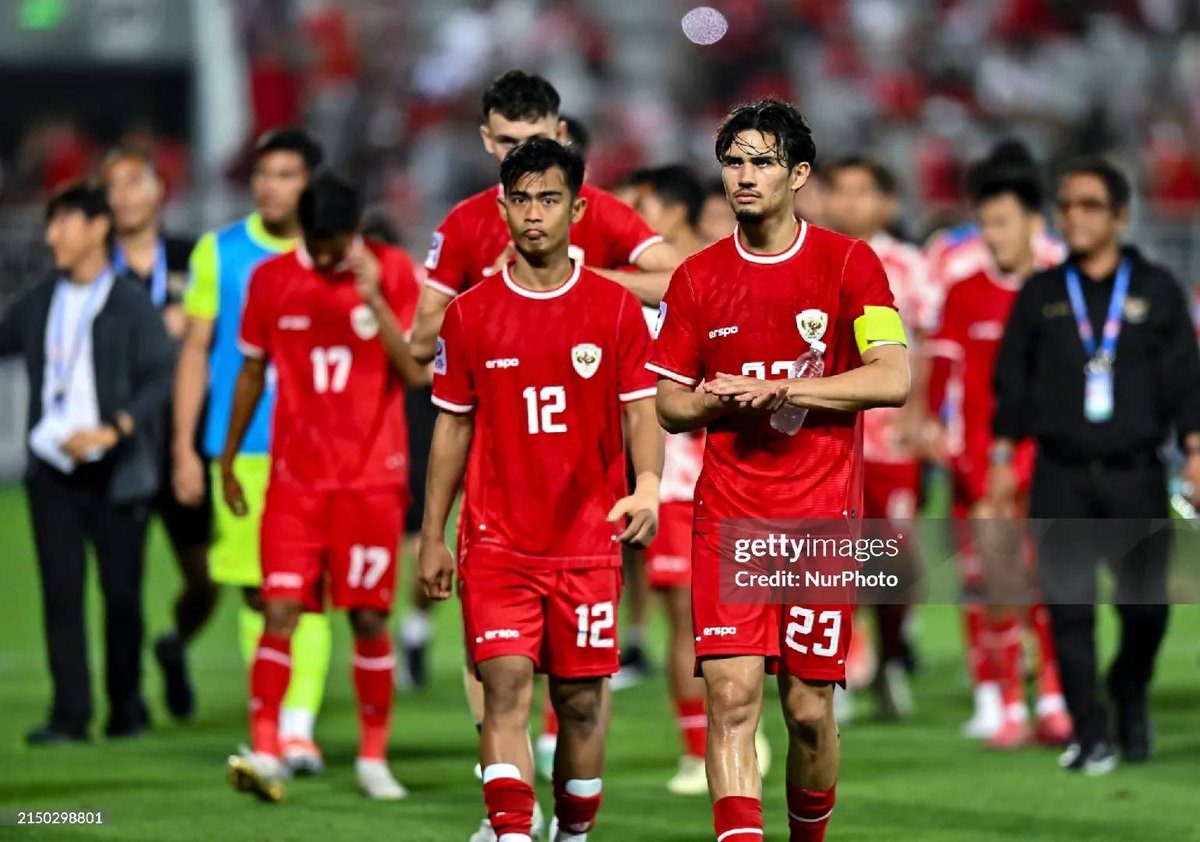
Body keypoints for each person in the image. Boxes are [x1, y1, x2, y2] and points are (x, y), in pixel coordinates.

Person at [405, 69, 680, 819]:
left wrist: (648, 484)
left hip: (588, 538)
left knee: (582, 705)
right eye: (519, 193)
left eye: (548, 195)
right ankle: (509, 827)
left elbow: (643, 398)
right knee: (502, 686)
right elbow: (445, 414)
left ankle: (572, 829)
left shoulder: (614, 304)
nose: (533, 211)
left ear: (575, 202)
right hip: (496, 538)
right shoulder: (468, 299)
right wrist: (434, 534)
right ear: (498, 190)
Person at [650, 99, 909, 842]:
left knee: (806, 713)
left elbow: (891, 377)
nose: (744, 175)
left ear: (798, 174)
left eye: (762, 161)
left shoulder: (851, 264)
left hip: (821, 520)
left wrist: (786, 390)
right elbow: (668, 401)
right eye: (733, 161)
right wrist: (714, 402)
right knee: (732, 701)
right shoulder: (698, 278)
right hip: (729, 516)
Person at [991, 157, 1200, 774]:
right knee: (1068, 609)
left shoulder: (1157, 290)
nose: (1074, 217)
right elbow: (1012, 384)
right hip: (1060, 474)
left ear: (1120, 215)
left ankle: (1129, 692)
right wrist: (1003, 458)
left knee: (1146, 612)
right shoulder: (1042, 293)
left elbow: (1187, 381)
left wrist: (1195, 451)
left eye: (1089, 205)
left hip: (1136, 473)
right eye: (1067, 205)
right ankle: (1091, 732)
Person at [222, 172, 424, 803]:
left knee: (368, 617)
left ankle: (372, 757)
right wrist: (228, 458)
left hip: (370, 481)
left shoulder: (390, 269)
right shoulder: (272, 280)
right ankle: (265, 747)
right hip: (296, 483)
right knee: (277, 610)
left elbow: (415, 371)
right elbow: (252, 371)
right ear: (308, 232)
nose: (335, 254)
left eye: (343, 240)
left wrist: (376, 302)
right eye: (325, 242)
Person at [174, 128, 333, 773]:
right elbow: (195, 350)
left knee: (307, 589)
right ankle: (270, 719)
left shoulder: (334, 252)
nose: (270, 186)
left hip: (320, 453)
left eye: (287, 175)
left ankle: (297, 729)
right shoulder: (221, 251)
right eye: (264, 174)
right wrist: (187, 449)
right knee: (253, 590)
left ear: (310, 184)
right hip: (240, 450)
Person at [1, 182, 173, 744]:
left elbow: (161, 375)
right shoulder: (39, 297)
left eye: (63, 222)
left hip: (117, 468)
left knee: (122, 596)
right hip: (52, 469)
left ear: (99, 228)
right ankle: (69, 715)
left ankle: (127, 706)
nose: (52, 235)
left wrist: (114, 427)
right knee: (61, 595)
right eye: (51, 224)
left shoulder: (127, 301)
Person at [924, 164, 1071, 749]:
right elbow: (942, 374)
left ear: (1034, 225)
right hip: (987, 457)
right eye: (986, 224)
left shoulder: (1063, 292)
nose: (993, 235)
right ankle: (1009, 701)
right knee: (1001, 581)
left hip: (1054, 452)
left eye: (1004, 223)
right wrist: (936, 426)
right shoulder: (964, 293)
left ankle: (1055, 699)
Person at [101, 145, 216, 721]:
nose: (122, 196)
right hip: (117, 444)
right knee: (121, 581)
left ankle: (173, 645)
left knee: (206, 582)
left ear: (157, 191)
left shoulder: (194, 257)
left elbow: (218, 335)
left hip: (183, 441)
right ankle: (126, 704)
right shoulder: (92, 263)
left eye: (132, 183)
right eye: (112, 186)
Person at [823, 155, 935, 723]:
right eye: (839, 191)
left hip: (891, 438)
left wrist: (921, 413)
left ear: (887, 202)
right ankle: (836, 668)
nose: (849, 203)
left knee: (891, 557)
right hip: (829, 437)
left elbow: (929, 346)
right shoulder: (810, 257)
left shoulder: (910, 265)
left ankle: (891, 657)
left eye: (863, 192)